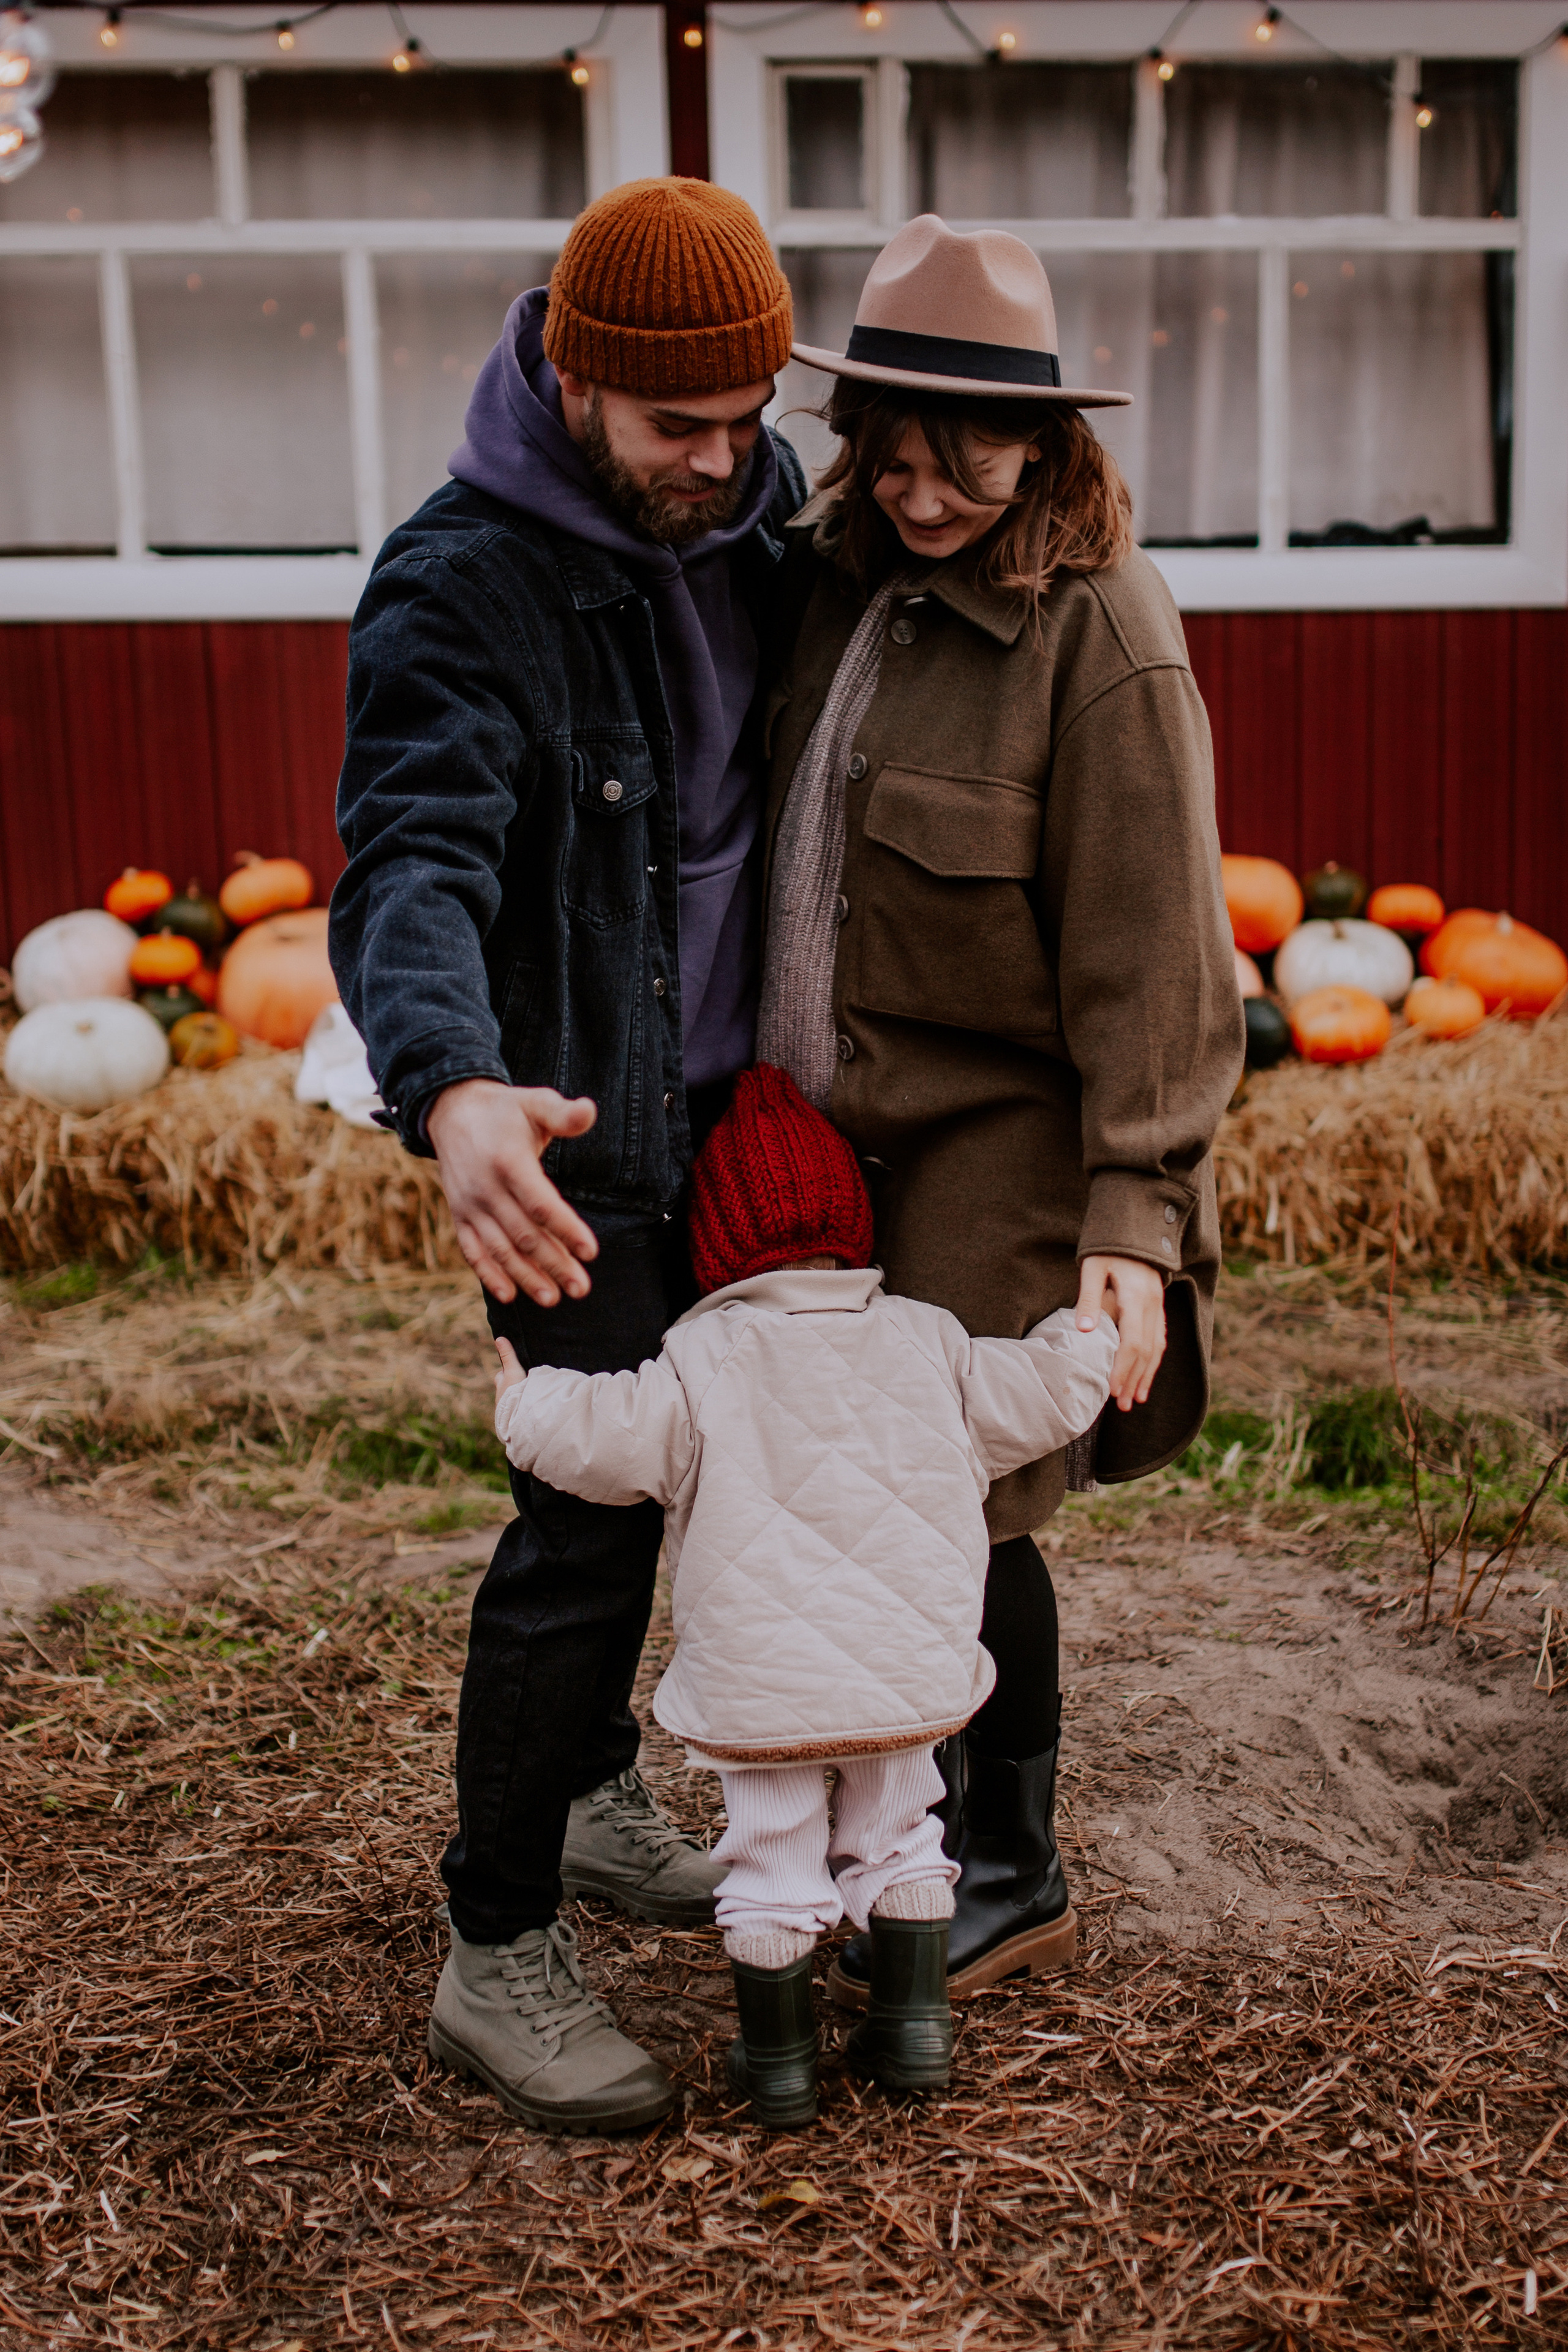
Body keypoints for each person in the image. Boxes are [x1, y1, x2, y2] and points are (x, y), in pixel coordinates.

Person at [329, 177, 807, 2135]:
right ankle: (495, 1938)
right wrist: (452, 1085)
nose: (722, 458)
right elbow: (411, 859)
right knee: (588, 1530)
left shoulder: (766, 525)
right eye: (678, 425)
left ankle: (599, 1792)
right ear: (573, 372)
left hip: (757, 1116)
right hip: (579, 1123)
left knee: (739, 1495)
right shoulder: (462, 581)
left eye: (749, 415)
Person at [755, 215, 1245, 2009]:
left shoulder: (1099, 633)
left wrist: (1139, 1218)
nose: (921, 478)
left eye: (965, 443)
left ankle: (1007, 1861)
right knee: (827, 1496)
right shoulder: (831, 571)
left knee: (962, 1496)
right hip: (822, 1129)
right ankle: (863, 1823)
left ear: (1046, 441)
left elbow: (1159, 959)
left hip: (997, 1133)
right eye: (888, 435)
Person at [484, 1064, 1116, 2129]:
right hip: (904, 1672)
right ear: (856, 1228)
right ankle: (915, 2035)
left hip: (763, 1689)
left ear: (717, 1250)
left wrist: (521, 1401)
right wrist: (1093, 1330)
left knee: (772, 1860)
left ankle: (777, 2068)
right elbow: (1049, 1390)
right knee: (904, 1834)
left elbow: (599, 1437)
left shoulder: (694, 1360)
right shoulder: (931, 1341)